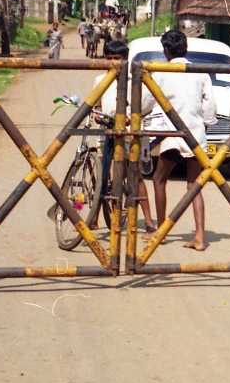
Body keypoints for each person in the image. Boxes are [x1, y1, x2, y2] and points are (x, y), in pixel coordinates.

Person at [139, 29, 217, 250]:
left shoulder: (160, 72)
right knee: (195, 186)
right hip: (196, 135)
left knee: (158, 179)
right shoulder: (199, 72)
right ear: (186, 48)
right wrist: (206, 121)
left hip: (173, 134)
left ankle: (162, 231)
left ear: (165, 51)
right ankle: (200, 236)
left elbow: (146, 103)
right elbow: (210, 107)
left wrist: (138, 115)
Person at [93, 40, 155, 232]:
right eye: (109, 58)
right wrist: (96, 113)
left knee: (134, 176)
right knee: (103, 175)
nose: (114, 63)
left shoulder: (133, 80)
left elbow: (148, 102)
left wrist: (131, 117)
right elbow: (95, 103)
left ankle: (148, 219)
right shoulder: (99, 80)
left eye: (117, 59)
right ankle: (94, 217)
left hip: (129, 132)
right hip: (108, 130)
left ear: (125, 59)